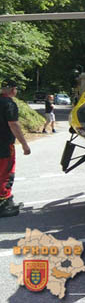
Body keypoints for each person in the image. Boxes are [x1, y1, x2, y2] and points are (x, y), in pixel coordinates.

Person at [0, 80, 30, 217]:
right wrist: (24, 144)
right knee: (6, 173)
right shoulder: (9, 104)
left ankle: (8, 201)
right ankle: (4, 205)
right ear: (12, 89)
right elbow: (13, 125)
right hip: (4, 144)